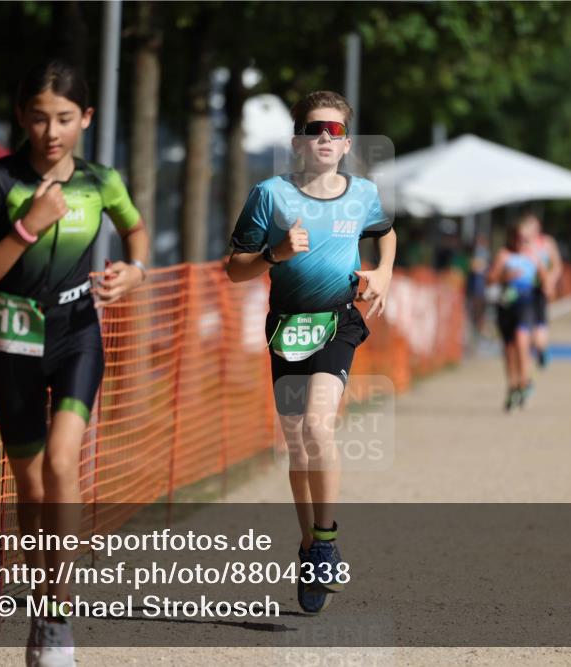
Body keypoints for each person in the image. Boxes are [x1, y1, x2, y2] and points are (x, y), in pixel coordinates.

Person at [0, 59, 150, 667]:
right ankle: (43, 601)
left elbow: (135, 229)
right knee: (31, 483)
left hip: (76, 332)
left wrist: (134, 269)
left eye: (65, 118)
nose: (51, 132)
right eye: (39, 118)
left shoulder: (100, 179)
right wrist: (24, 228)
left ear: (86, 118)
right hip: (11, 337)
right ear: (21, 117)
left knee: (63, 463)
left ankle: (57, 612)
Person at [225, 90, 395, 614]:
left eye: (336, 131)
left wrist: (383, 273)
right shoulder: (270, 195)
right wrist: (273, 255)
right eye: (315, 129)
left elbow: (386, 234)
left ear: (346, 143)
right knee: (298, 445)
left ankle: (325, 540)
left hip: (339, 322)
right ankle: (308, 547)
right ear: (297, 139)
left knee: (319, 427)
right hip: (286, 327)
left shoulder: (363, 193)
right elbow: (234, 267)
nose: (326, 137)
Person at [488, 218, 548, 411]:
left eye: (525, 239)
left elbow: (544, 280)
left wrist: (545, 289)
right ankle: (512, 386)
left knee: (522, 343)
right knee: (509, 350)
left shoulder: (534, 256)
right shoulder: (504, 255)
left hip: (525, 304)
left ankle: (524, 382)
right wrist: (505, 277)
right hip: (506, 305)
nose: (521, 242)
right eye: (518, 238)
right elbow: (490, 279)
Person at [522, 213, 562, 368]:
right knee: (535, 324)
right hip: (526, 288)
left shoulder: (545, 243)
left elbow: (556, 265)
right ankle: (538, 349)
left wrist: (550, 282)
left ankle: (539, 349)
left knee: (538, 323)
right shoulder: (524, 244)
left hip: (538, 288)